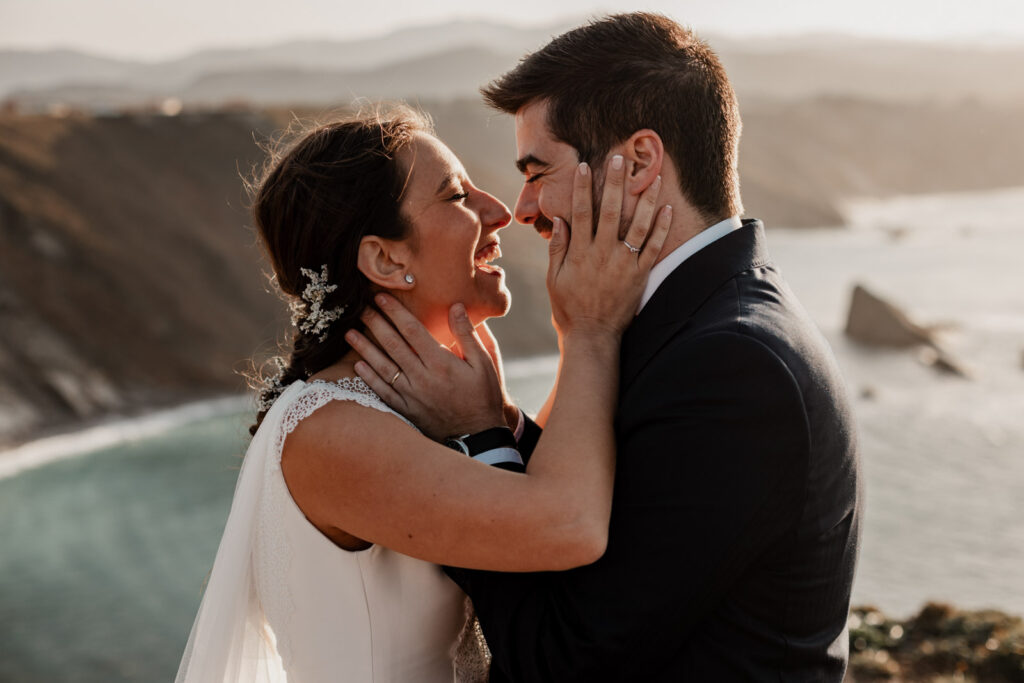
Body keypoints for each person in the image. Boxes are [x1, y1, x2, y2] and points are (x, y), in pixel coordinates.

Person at [354, 13, 863, 682]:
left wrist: (476, 436)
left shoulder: (735, 365)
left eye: (538, 171)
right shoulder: (692, 325)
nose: (525, 207)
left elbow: (564, 658)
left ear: (641, 162)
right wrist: (505, 420)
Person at [174, 107, 671, 683]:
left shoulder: (416, 408)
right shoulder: (329, 433)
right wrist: (589, 330)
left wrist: (497, 412)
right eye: (458, 196)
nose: (501, 211)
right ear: (386, 258)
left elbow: (546, 487)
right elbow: (570, 526)